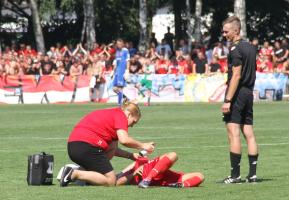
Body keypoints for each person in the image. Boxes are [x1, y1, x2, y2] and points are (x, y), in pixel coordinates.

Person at [59, 102, 155, 187]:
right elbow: (124, 140)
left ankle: (84, 175)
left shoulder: (112, 114)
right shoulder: (120, 115)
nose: (132, 125)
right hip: (87, 147)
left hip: (74, 146)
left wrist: (131, 156)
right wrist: (144, 145)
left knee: (109, 151)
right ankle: (73, 173)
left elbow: (113, 149)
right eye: (134, 122)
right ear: (129, 114)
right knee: (111, 181)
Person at [221, 16, 259, 184]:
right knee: (249, 134)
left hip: (237, 94)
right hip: (248, 93)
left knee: (233, 133)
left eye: (226, 31)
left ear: (236, 31)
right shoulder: (251, 47)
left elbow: (236, 75)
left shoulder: (235, 49)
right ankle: (252, 175)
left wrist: (228, 99)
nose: (224, 34)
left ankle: (235, 176)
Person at [116, 152, 204, 188]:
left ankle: (179, 185)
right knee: (173, 154)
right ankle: (148, 179)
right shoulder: (130, 173)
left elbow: (141, 159)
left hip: (166, 177)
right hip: (147, 173)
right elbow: (118, 182)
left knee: (201, 176)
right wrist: (134, 173)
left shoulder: (139, 162)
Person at [112, 39, 130, 106]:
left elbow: (128, 60)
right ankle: (126, 99)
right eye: (117, 44)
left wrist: (127, 70)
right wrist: (113, 71)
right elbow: (116, 62)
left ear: (123, 44)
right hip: (117, 72)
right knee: (114, 89)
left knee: (120, 88)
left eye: (120, 44)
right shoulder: (117, 51)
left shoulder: (125, 50)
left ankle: (119, 105)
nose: (118, 45)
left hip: (122, 72)